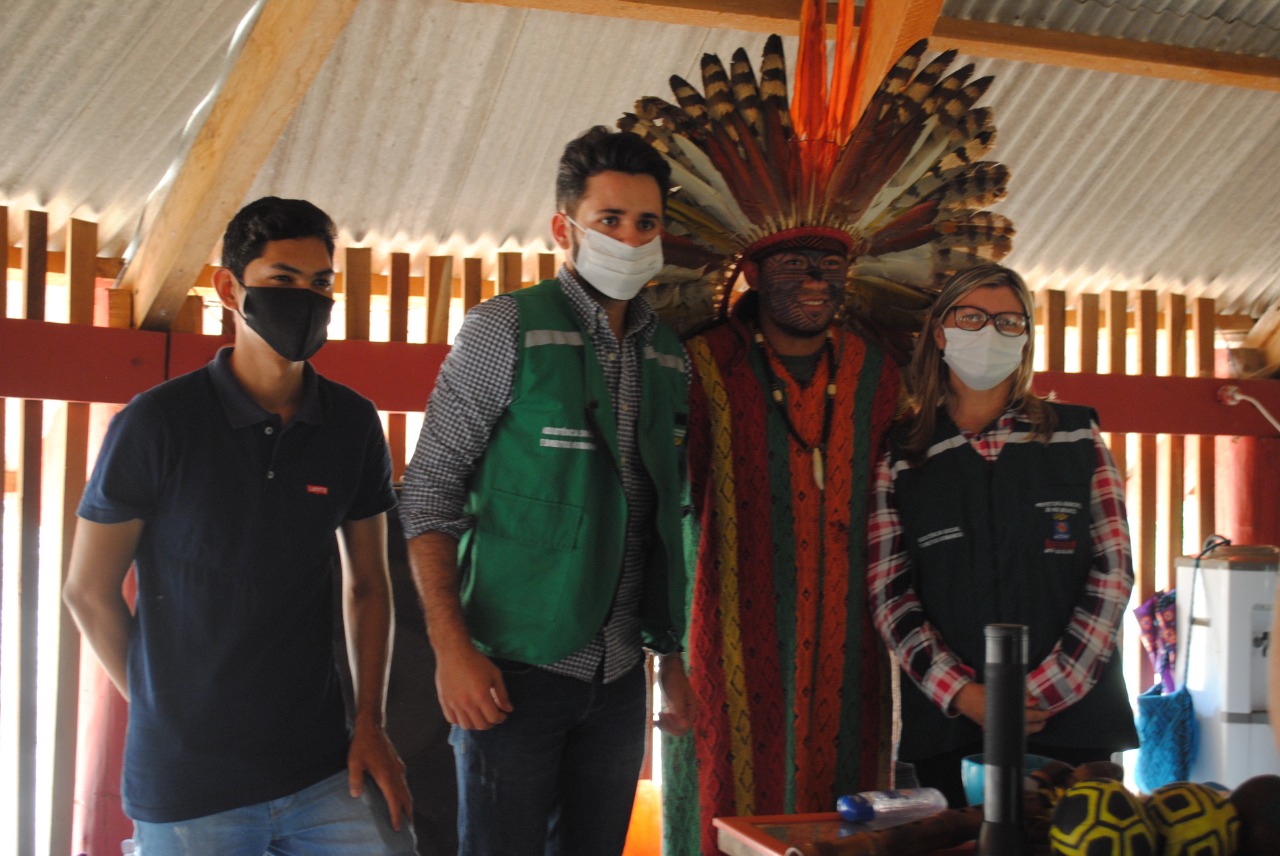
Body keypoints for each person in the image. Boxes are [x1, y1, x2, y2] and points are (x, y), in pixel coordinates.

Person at [63, 197, 415, 854]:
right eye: (283, 279)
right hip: (189, 784)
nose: (305, 299)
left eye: (320, 284)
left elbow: (369, 584)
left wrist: (370, 722)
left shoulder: (351, 423)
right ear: (230, 289)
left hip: (322, 764)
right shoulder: (157, 423)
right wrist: (162, 711)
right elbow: (87, 590)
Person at [399, 125, 694, 855]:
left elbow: (661, 516)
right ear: (565, 230)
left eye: (646, 223)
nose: (630, 239)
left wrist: (671, 661)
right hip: (511, 670)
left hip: (620, 674)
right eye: (609, 220)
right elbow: (428, 490)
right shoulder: (506, 329)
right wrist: (452, 651)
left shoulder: (668, 355)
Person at [867, 263, 1139, 807]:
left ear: (1025, 339)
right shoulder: (903, 455)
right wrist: (961, 692)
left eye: (1009, 322)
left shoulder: (1076, 436)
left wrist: (1045, 690)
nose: (990, 332)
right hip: (953, 729)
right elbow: (890, 593)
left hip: (1074, 724)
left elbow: (1113, 571)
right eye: (972, 317)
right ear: (940, 332)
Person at [666, 228, 903, 853]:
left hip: (849, 645)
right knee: (724, 802)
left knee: (846, 812)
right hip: (727, 638)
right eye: (795, 263)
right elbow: (657, 505)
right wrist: (661, 651)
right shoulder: (701, 365)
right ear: (752, 274)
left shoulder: (875, 373)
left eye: (831, 264)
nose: (817, 280)